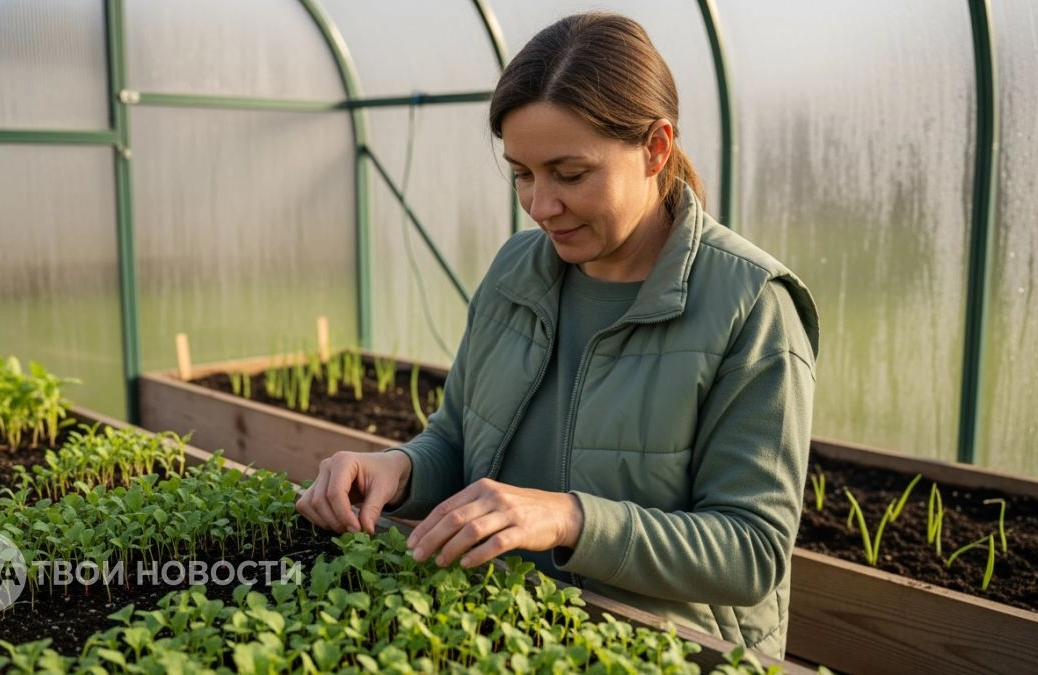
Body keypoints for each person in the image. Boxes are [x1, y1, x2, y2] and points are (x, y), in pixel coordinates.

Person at [297, 11, 818, 658]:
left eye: (570, 174)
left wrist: (566, 516)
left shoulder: (750, 306)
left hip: (665, 653)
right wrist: (396, 469)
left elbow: (750, 551)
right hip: (500, 638)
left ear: (656, 148)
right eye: (521, 173)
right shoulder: (517, 269)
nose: (541, 205)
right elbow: (458, 439)